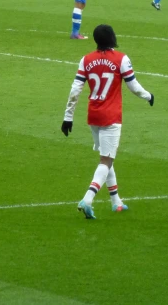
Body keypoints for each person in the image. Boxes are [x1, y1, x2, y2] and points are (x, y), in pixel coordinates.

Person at [61, 24, 155, 219]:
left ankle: (115, 201)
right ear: (112, 37)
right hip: (111, 117)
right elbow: (134, 87)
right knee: (106, 160)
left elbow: (75, 90)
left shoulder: (86, 60)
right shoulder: (121, 59)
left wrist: (68, 117)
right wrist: (148, 96)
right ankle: (87, 199)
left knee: (106, 156)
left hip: (93, 116)